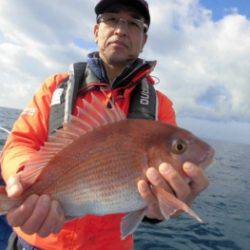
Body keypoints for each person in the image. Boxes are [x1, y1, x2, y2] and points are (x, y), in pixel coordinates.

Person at [1, 0, 209, 249]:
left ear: (144, 39)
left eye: (133, 23)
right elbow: (21, 141)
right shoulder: (55, 88)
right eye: (111, 19)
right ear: (96, 30)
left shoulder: (160, 106)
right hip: (38, 241)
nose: (121, 29)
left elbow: (156, 205)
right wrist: (23, 179)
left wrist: (167, 205)